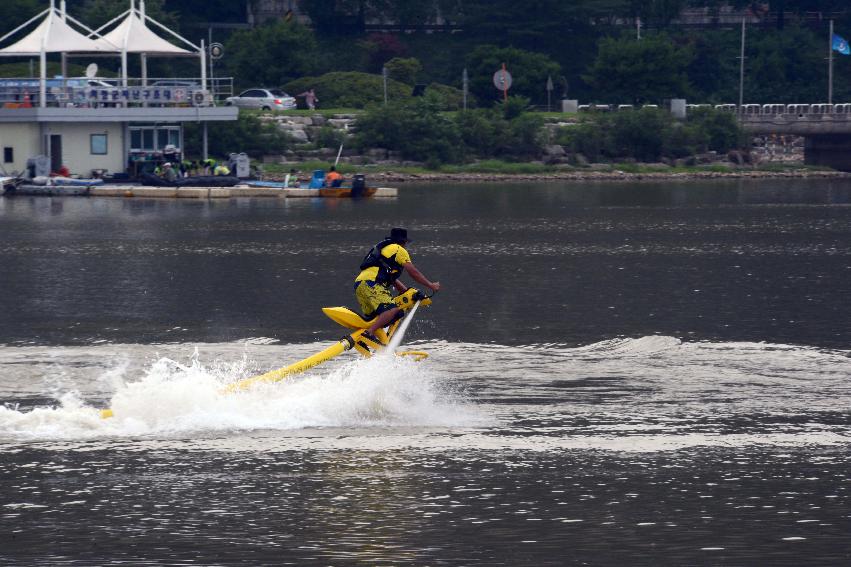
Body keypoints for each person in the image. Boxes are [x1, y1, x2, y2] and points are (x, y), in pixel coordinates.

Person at [354, 227, 440, 345]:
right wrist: (430, 285)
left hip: (360, 284)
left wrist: (408, 293)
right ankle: (369, 333)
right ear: (404, 242)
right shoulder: (399, 249)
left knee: (385, 316)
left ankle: (365, 340)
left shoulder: (385, 250)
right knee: (392, 310)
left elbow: (392, 279)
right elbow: (413, 271)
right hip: (372, 284)